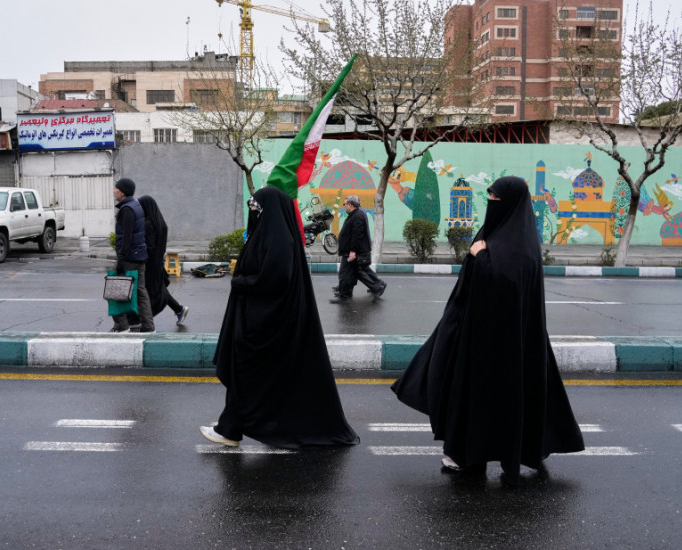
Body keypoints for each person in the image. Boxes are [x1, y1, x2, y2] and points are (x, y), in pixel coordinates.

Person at [391, 176, 585, 487]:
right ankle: (472, 451)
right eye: (490, 197)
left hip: (502, 340)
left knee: (486, 393)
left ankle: (475, 454)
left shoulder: (521, 246)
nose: (490, 204)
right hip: (477, 329)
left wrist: (480, 255)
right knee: (458, 383)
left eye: (496, 199)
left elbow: (502, 282)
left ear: (509, 204)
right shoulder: (497, 234)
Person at [200, 186, 359, 449]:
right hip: (258, 321)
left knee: (247, 375)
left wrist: (242, 282)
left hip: (265, 325)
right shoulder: (268, 235)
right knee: (253, 380)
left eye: (256, 208)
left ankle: (230, 429)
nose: (253, 212)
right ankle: (232, 428)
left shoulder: (278, 240)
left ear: (269, 210)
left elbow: (274, 279)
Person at [125, 195, 189, 328]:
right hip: (158, 261)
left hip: (149, 264)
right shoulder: (161, 223)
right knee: (159, 288)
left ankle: (141, 318)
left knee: (150, 292)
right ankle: (179, 309)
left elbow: (150, 247)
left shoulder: (148, 224)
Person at [109, 178, 155, 333]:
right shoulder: (135, 205)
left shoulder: (127, 209)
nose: (114, 190)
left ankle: (121, 325)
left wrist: (121, 260)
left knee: (116, 288)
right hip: (139, 256)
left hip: (129, 257)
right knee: (140, 292)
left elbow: (127, 237)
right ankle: (148, 327)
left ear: (122, 192)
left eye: (116, 188)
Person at [331, 194, 386, 303]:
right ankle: (346, 291)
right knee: (356, 272)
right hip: (352, 251)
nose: (344, 206)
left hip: (353, 252)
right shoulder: (355, 214)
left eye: (345, 204)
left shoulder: (357, 215)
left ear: (350, 205)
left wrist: (352, 251)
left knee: (348, 272)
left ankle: (376, 287)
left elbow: (357, 235)